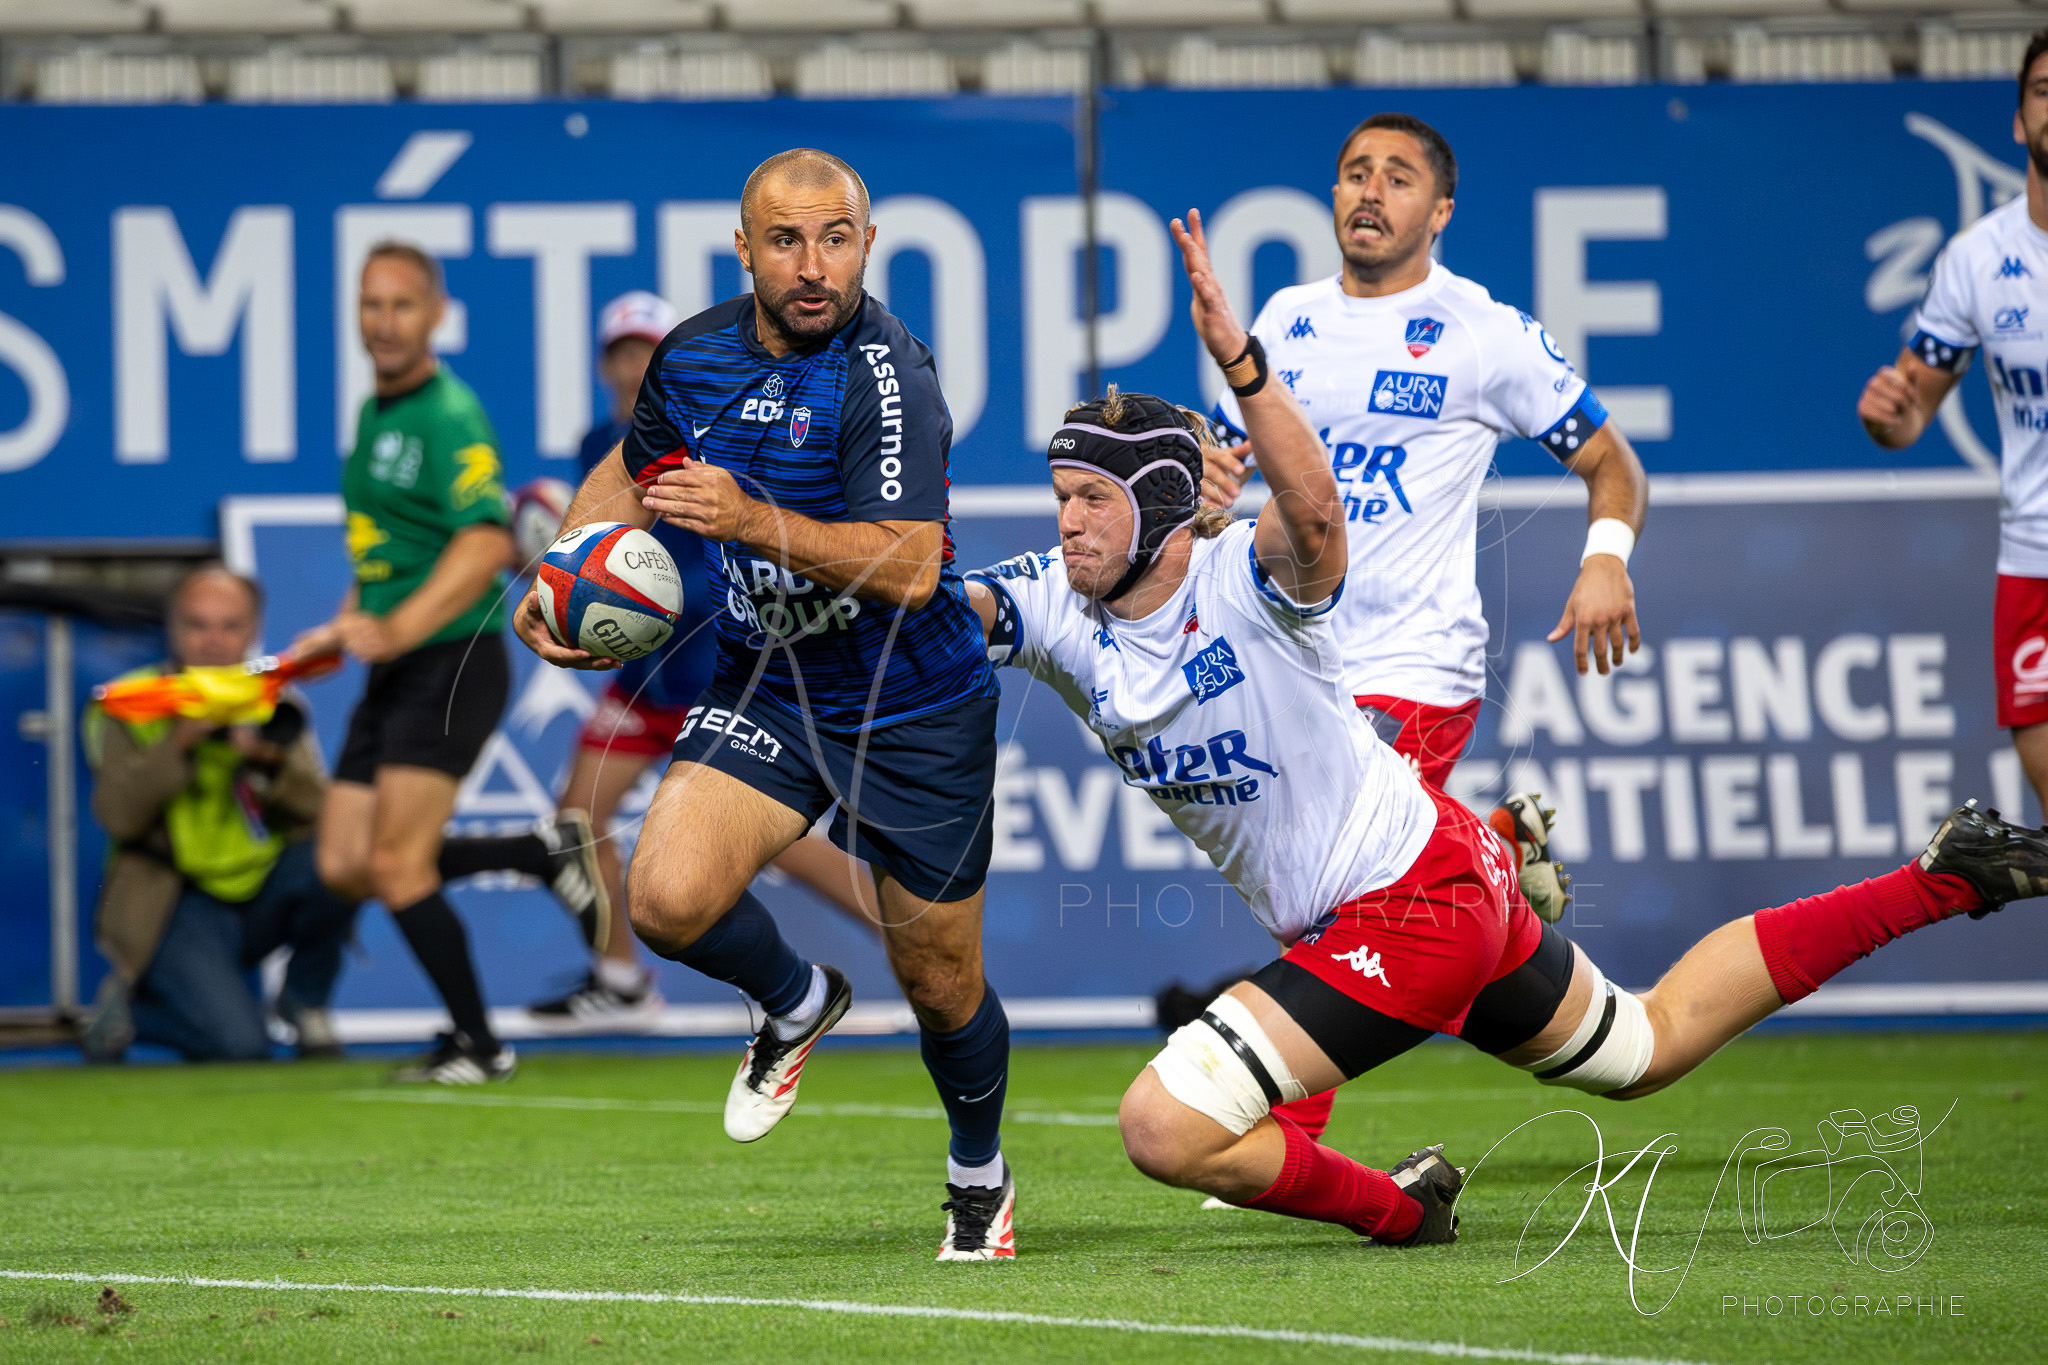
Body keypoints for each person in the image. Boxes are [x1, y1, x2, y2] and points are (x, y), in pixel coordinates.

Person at [965, 208, 2048, 1249]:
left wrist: (1242, 365)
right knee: (1645, 1045)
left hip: (1401, 908)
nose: (1066, 520)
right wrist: (802, 554)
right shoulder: (1054, 598)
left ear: (1156, 506)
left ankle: (1399, 1212)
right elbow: (931, 599)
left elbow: (1316, 518)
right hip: (1433, 887)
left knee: (1163, 1125)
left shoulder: (1247, 580)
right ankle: (1942, 879)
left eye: (1090, 499)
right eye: (1059, 494)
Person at [515, 150, 1015, 1260]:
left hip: (914, 703)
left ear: (866, 244)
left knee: (939, 980)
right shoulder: (692, 358)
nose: (812, 265)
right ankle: (793, 1000)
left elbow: (905, 566)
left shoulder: (889, 376)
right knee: (664, 899)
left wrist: (746, 521)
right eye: (784, 240)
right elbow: (631, 467)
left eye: (834, 239)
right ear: (743, 250)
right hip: (771, 682)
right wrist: (560, 570)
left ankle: (976, 1170)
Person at [1198, 110, 1651, 1141]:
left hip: (1412, 663)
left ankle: (1285, 1136)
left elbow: (1611, 465)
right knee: (1318, 885)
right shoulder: (1286, 316)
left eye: (1396, 178)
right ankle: (1491, 852)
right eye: (1354, 173)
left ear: (1437, 211)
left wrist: (1603, 563)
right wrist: (1209, 480)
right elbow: (1230, 477)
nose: (1369, 191)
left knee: (1334, 900)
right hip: (1298, 658)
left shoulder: (1480, 332)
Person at [297, 241, 607, 1085]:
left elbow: (482, 545)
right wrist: (336, 633)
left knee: (397, 861)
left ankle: (479, 1043)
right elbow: (386, 563)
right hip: (398, 661)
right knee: (344, 861)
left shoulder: (448, 414)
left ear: (436, 315)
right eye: (370, 304)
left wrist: (393, 632)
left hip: (452, 660)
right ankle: (532, 851)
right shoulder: (373, 416)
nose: (384, 322)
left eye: (402, 305)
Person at [534, 290, 884, 1025]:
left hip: (710, 667)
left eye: (646, 351)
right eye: (620, 353)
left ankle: (914, 937)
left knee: (773, 843)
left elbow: (714, 558)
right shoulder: (598, 441)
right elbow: (600, 551)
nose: (633, 367)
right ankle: (622, 984)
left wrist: (644, 605)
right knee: (574, 823)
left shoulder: (712, 424)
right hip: (637, 677)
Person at [1858, 30, 2048, 820]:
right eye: (2045, 90)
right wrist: (1891, 419)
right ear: (2017, 120)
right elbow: (1913, 411)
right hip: (2035, 555)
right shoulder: (1977, 258)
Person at [78, 565, 356, 1064]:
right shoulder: (128, 702)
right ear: (172, 629)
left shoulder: (274, 698)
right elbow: (118, 817)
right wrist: (182, 739)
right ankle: (131, 1010)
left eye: (231, 626)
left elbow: (317, 814)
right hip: (172, 902)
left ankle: (305, 1001)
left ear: (253, 631)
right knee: (241, 1048)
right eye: (198, 625)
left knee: (348, 850)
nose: (214, 641)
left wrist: (267, 761)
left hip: (256, 891)